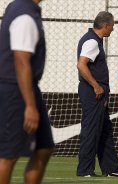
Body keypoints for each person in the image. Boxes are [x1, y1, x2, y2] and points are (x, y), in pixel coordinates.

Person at [0, 0, 55, 183]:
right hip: (14, 89)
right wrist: (30, 105)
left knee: (44, 148)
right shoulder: (25, 16)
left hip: (28, 87)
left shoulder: (23, 8)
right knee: (8, 155)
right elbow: (21, 61)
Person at [76, 11, 118, 177]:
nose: (112, 30)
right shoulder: (92, 41)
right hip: (93, 92)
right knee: (91, 130)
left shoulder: (92, 39)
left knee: (105, 130)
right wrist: (95, 85)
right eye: (112, 27)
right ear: (106, 25)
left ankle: (111, 169)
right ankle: (85, 170)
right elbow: (81, 65)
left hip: (97, 92)